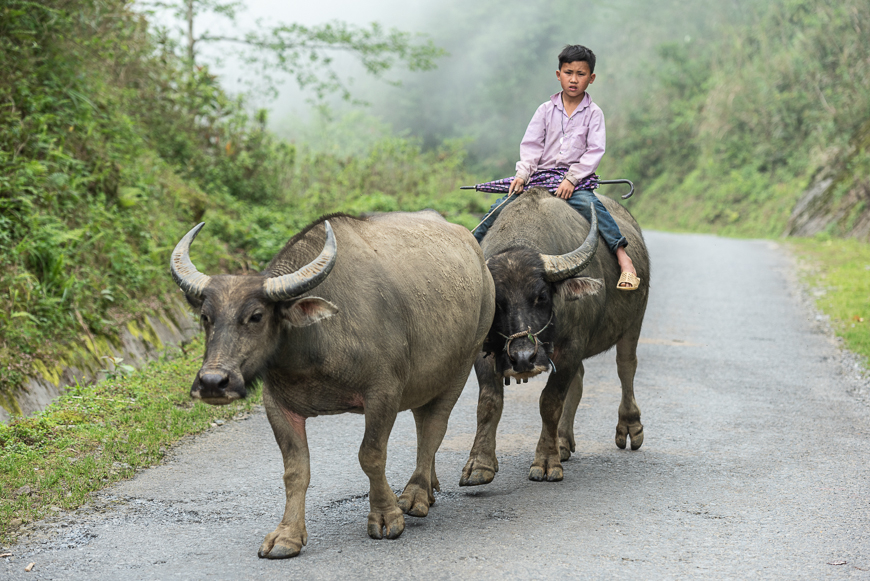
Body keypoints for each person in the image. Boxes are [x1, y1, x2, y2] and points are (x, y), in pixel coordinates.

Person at [473, 44, 640, 290]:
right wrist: (522, 174)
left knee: (594, 208)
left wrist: (572, 179)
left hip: (574, 181)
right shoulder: (545, 110)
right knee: (499, 207)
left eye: (581, 74)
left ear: (591, 78)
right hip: (539, 178)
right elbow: (531, 146)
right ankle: (467, 255)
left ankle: (625, 261)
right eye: (568, 72)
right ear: (558, 74)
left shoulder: (594, 114)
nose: (574, 79)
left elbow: (594, 151)